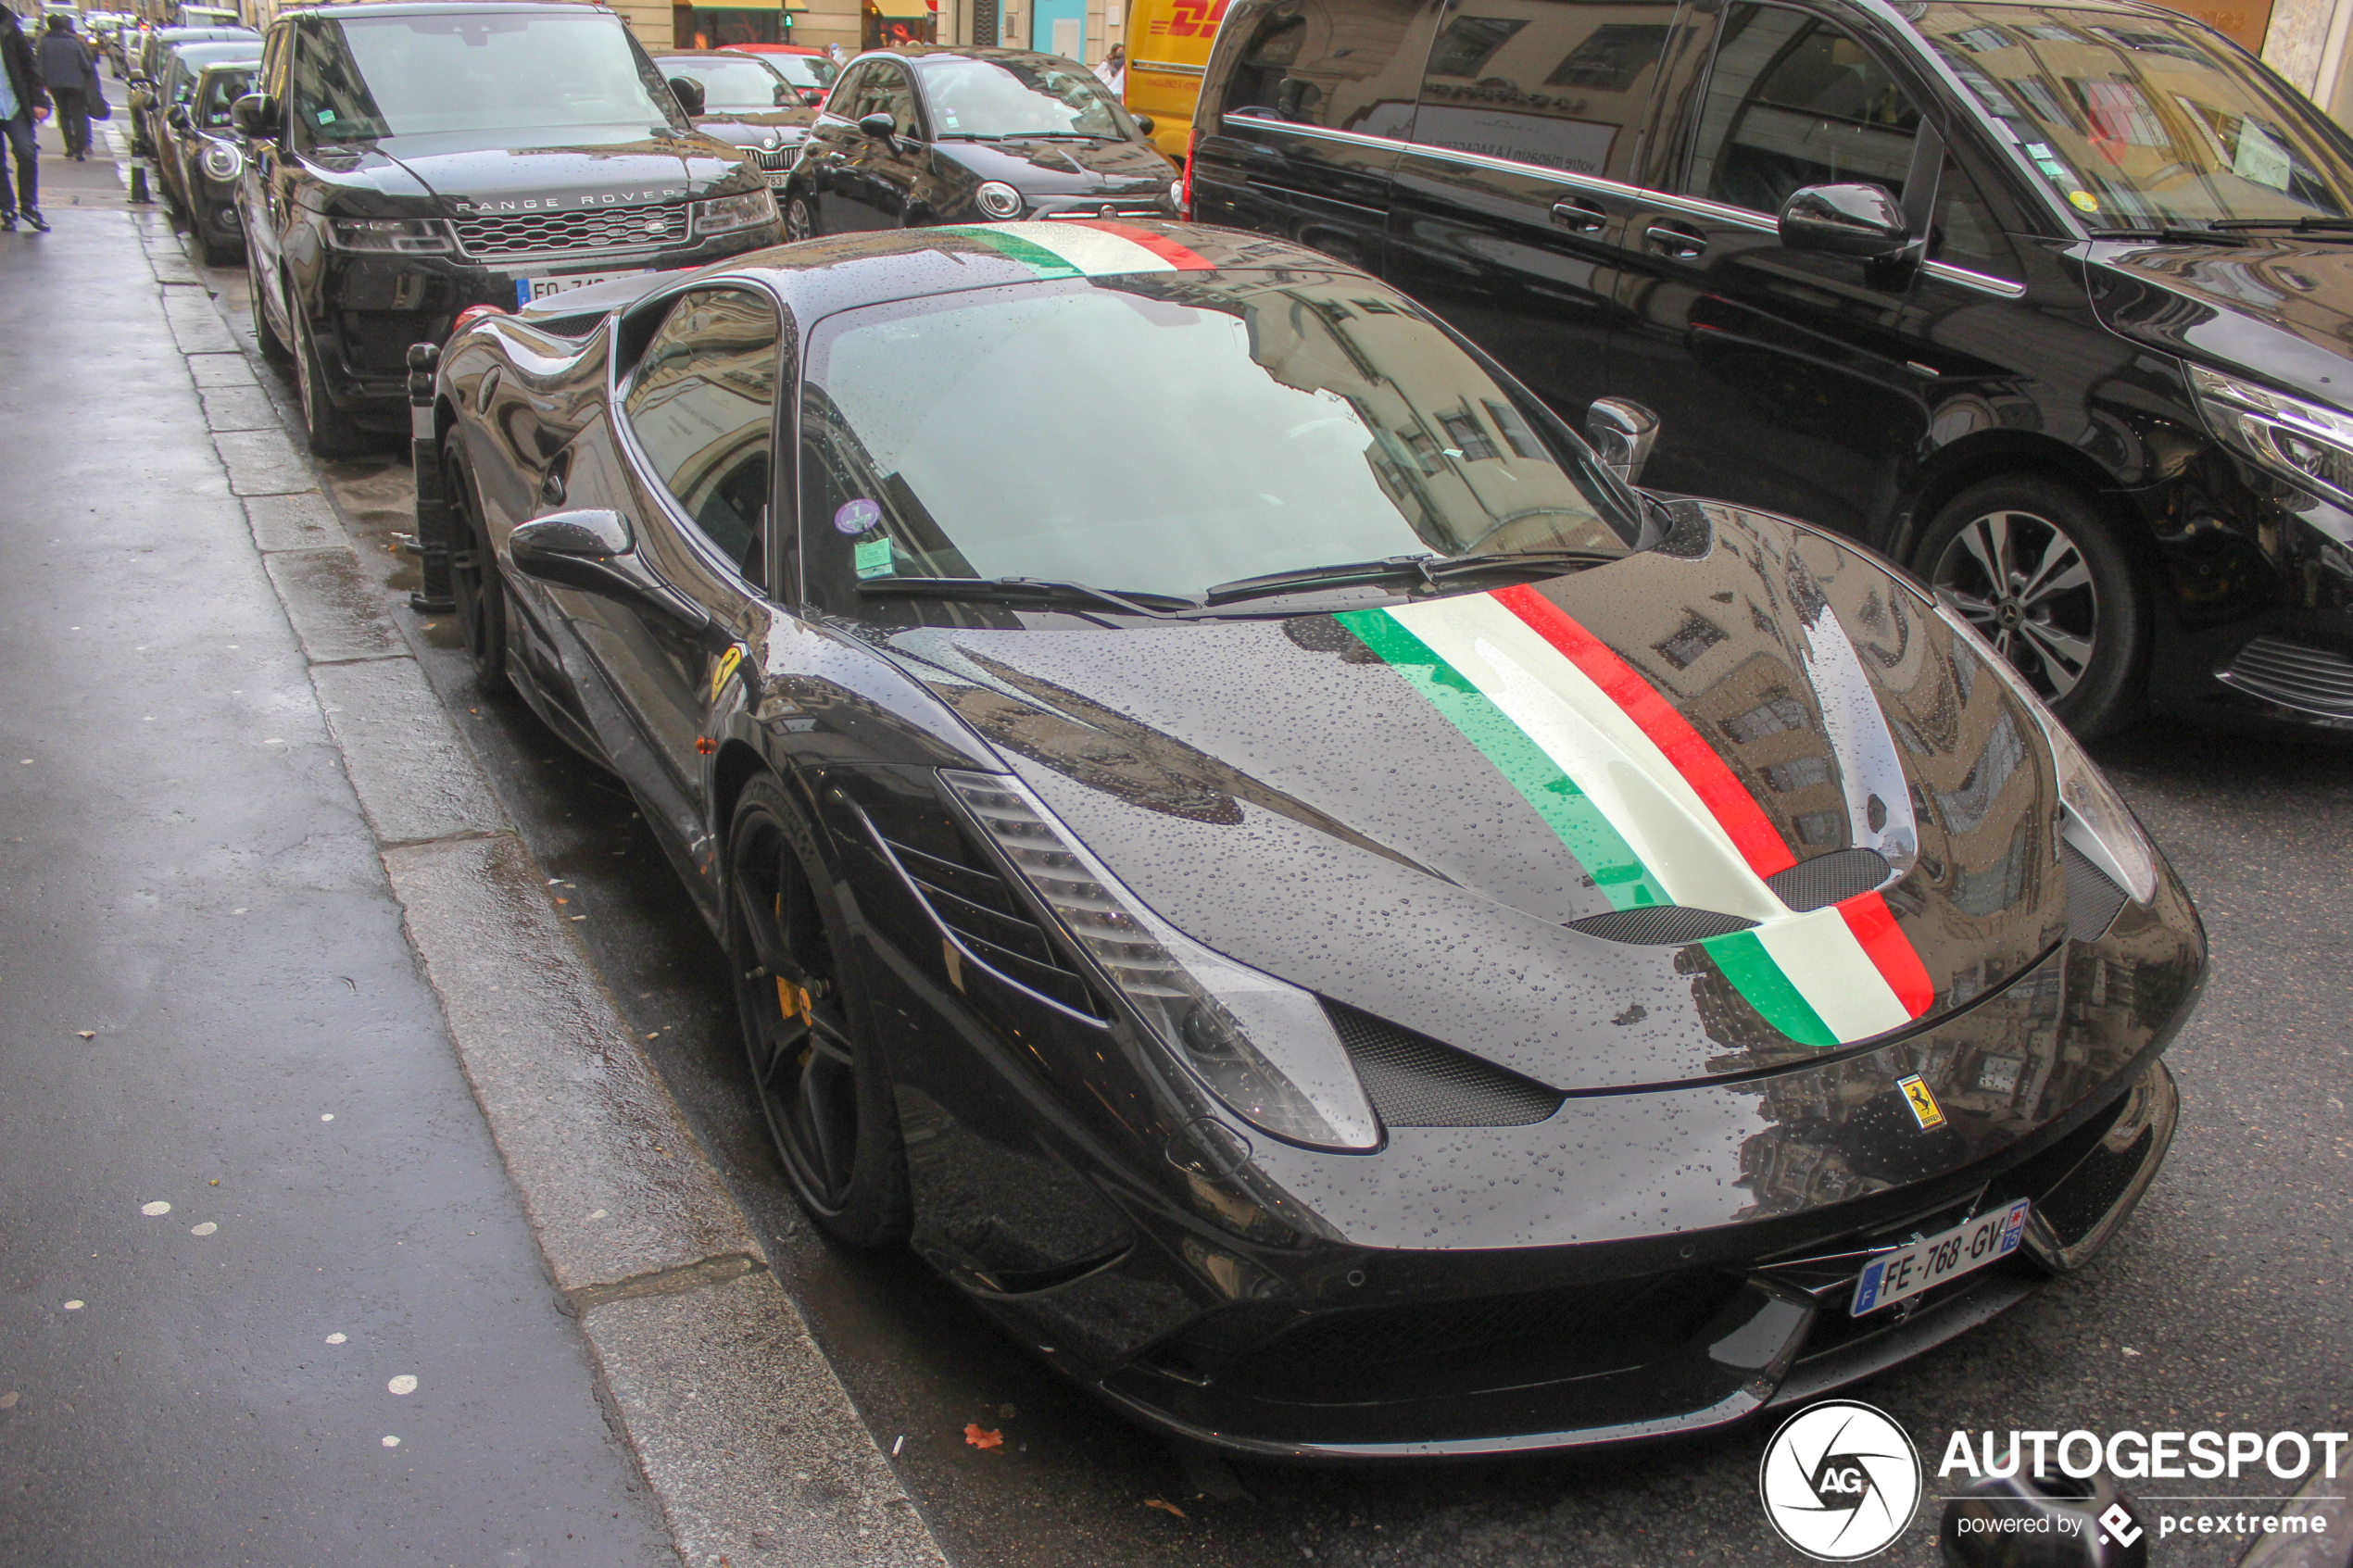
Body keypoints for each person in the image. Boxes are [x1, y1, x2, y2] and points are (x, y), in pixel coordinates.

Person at [0, 5, 52, 232]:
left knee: (27, 152)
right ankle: (6, 206)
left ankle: (29, 207)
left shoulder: (9, 27)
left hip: (14, 104)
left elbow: (30, 66)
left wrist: (39, 100)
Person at [39, 14, 97, 162]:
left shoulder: (44, 43)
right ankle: (80, 149)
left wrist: (44, 82)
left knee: (64, 114)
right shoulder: (73, 42)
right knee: (78, 115)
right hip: (76, 84)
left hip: (55, 84)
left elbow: (39, 65)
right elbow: (86, 65)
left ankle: (69, 148)